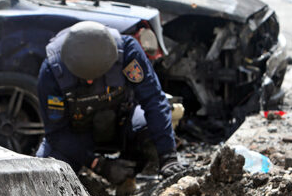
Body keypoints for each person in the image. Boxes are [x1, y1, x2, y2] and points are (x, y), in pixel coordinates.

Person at [36, 21, 184, 185]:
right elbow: (56, 132)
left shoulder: (127, 52)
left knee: (151, 133)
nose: (91, 82)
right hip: (77, 135)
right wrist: (99, 165)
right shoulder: (52, 71)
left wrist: (168, 155)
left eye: (96, 77)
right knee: (44, 177)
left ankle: (130, 178)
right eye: (85, 79)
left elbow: (154, 100)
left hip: (122, 123)